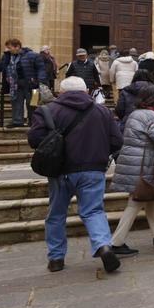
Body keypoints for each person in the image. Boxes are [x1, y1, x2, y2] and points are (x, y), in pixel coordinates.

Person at [26, 76, 122, 274]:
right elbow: (117, 140)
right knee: (93, 211)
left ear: (61, 93)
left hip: (60, 171)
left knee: (56, 215)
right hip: (93, 170)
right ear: (86, 91)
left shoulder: (48, 110)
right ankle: (103, 245)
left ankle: (56, 258)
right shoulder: (102, 111)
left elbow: (35, 139)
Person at [109, 84, 154, 254]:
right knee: (135, 203)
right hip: (143, 165)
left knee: (151, 201)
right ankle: (115, 243)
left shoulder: (136, 113)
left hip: (136, 163)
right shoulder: (151, 115)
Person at [0, 37, 46, 128]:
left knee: (33, 104)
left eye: (10, 47)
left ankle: (33, 122)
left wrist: (41, 80)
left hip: (34, 85)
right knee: (16, 102)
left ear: (17, 46)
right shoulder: (7, 57)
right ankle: (17, 121)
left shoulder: (33, 55)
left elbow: (41, 68)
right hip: (16, 84)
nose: (8, 49)